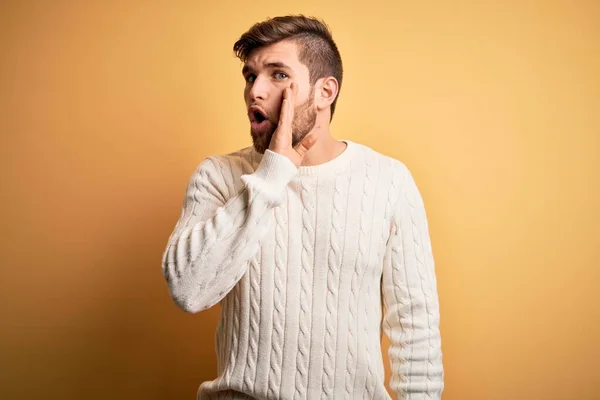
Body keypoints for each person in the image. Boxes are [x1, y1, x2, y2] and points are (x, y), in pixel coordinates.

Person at [161, 14, 444, 400]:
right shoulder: (219, 175)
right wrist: (271, 176)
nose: (255, 91)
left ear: (325, 91)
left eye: (278, 75)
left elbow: (416, 328)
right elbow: (189, 291)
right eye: (250, 76)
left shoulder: (389, 181)